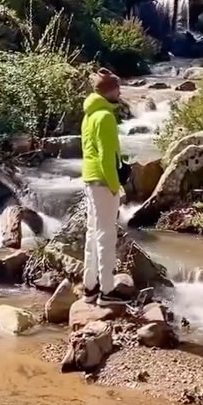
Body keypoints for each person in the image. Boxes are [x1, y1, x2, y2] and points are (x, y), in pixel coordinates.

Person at [80, 68, 128, 306]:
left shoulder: (90, 114)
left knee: (92, 233)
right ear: (109, 91)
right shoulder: (105, 117)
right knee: (106, 235)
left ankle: (89, 287)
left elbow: (92, 152)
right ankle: (107, 292)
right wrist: (115, 186)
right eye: (117, 88)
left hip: (89, 179)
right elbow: (106, 157)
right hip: (102, 181)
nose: (120, 92)